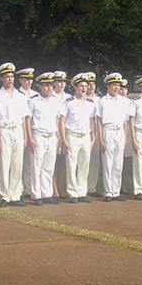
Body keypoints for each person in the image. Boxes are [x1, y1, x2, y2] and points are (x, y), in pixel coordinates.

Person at [0, 62, 29, 208]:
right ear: (2, 79)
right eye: (7, 77)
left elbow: (23, 117)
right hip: (3, 130)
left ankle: (15, 195)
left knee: (17, 164)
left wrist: (24, 136)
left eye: (11, 77)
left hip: (17, 129)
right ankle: (4, 195)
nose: (10, 79)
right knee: (5, 164)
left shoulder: (20, 96)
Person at [25, 72, 63, 205]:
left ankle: (47, 193)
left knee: (48, 166)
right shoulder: (34, 101)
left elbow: (57, 120)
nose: (49, 89)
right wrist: (29, 138)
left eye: (51, 86)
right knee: (36, 166)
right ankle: (36, 195)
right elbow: (28, 120)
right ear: (40, 87)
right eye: (46, 86)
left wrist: (57, 136)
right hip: (38, 135)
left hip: (51, 135)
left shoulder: (55, 101)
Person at [60, 72, 97, 203]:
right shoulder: (69, 102)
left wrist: (93, 138)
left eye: (85, 86)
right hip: (72, 136)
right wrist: (64, 139)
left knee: (84, 165)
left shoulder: (90, 103)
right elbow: (62, 121)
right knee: (71, 165)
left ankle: (82, 192)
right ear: (75, 88)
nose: (83, 88)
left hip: (85, 136)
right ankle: (72, 192)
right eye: (80, 86)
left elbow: (92, 121)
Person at [96, 73, 130, 202]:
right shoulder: (102, 101)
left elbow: (125, 121)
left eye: (118, 85)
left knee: (118, 163)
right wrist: (100, 139)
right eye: (113, 85)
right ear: (108, 86)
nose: (116, 88)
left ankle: (116, 191)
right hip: (108, 131)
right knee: (108, 162)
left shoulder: (123, 101)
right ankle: (108, 192)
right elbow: (99, 121)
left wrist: (125, 137)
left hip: (119, 131)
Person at [17, 68, 37, 199]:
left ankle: (29, 189)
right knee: (17, 162)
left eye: (30, 79)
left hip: (33, 131)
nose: (29, 81)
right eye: (26, 79)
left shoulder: (35, 95)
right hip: (19, 129)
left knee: (30, 162)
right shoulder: (16, 94)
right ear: (20, 80)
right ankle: (18, 189)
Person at [51, 71, 68, 198]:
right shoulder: (49, 96)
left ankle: (60, 188)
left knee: (62, 161)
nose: (61, 84)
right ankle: (53, 189)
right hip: (53, 132)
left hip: (65, 132)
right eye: (59, 82)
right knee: (52, 162)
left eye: (63, 82)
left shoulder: (68, 97)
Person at [85, 74, 102, 196]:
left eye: (93, 84)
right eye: (88, 84)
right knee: (82, 161)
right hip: (83, 132)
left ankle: (91, 187)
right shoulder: (78, 99)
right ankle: (81, 187)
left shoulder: (99, 100)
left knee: (94, 161)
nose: (91, 86)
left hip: (95, 132)